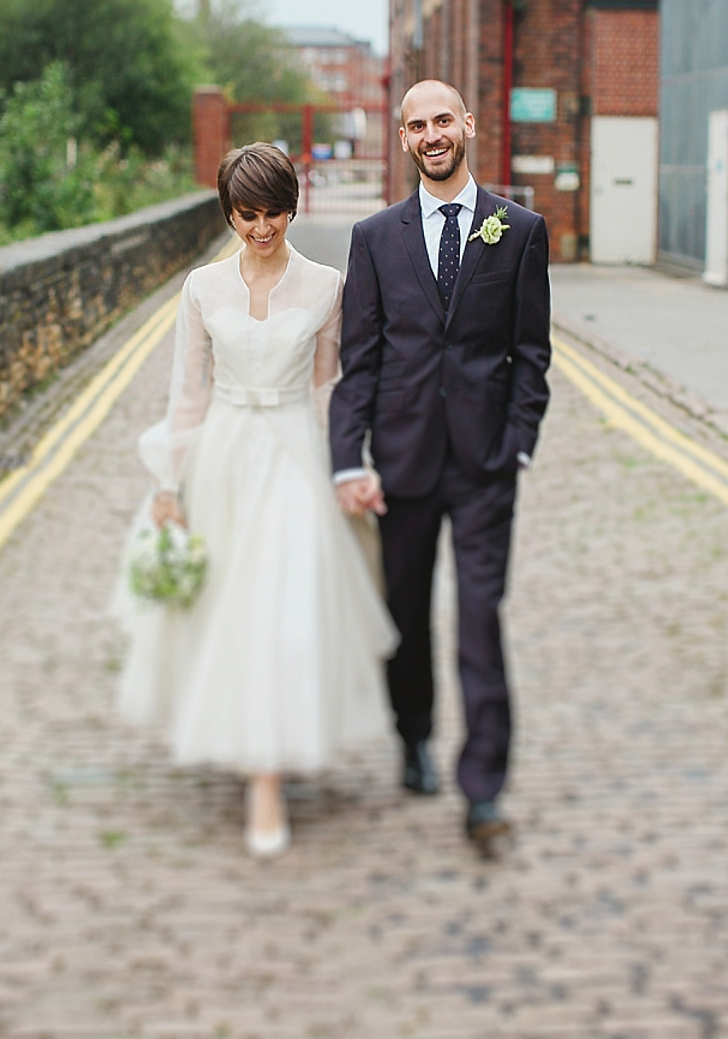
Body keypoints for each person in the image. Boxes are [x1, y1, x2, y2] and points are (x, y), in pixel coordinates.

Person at [113, 142, 396, 859]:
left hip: (297, 453)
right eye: (247, 215)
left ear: (291, 209)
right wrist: (169, 484)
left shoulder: (329, 284)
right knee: (230, 609)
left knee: (284, 605)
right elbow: (186, 394)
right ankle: (247, 742)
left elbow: (335, 389)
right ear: (228, 212)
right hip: (224, 455)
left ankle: (266, 778)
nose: (262, 228)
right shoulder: (201, 289)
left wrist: (348, 469)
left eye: (273, 214)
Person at [329, 79, 551, 850]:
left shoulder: (517, 230)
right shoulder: (374, 238)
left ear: (468, 126)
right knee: (408, 616)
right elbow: (359, 364)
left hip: (486, 462)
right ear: (402, 138)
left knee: (480, 620)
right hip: (403, 460)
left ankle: (483, 790)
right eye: (416, 124)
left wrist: (517, 443)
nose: (431, 134)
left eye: (443, 121)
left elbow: (532, 355)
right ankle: (413, 734)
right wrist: (344, 461)